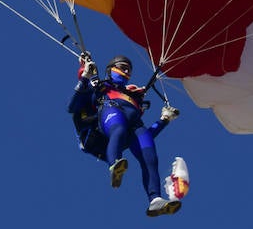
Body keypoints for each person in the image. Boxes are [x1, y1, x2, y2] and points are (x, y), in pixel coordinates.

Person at [69, 52, 181, 216]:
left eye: (129, 69)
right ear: (110, 70)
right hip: (111, 111)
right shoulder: (101, 86)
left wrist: (164, 120)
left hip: (135, 124)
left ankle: (155, 199)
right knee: (118, 129)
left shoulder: (134, 97)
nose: (127, 72)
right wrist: (85, 74)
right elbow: (73, 106)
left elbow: (143, 138)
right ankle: (115, 164)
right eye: (122, 67)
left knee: (149, 155)